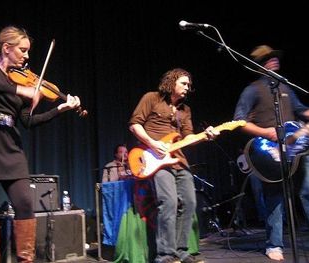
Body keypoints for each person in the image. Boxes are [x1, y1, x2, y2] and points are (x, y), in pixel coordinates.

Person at [0, 26, 82, 263]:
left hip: (10, 147)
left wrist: (60, 108)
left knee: (25, 203)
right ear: (6, 48)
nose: (27, 56)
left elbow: (27, 121)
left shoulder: (24, 81)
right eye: (23, 50)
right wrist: (21, 89)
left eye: (28, 52)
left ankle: (26, 259)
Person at [129, 68, 218, 263]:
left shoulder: (185, 110)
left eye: (189, 85)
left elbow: (189, 138)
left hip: (179, 160)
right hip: (156, 159)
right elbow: (135, 125)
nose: (188, 87)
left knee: (190, 202)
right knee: (168, 202)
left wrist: (206, 135)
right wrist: (153, 143)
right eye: (184, 83)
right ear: (172, 82)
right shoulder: (151, 98)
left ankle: (181, 251)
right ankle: (165, 255)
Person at [233, 45, 309, 261]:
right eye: (268, 59)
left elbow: (301, 110)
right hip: (268, 150)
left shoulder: (285, 86)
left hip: (296, 147)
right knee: (275, 196)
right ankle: (274, 244)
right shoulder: (253, 89)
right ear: (259, 65)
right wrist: (264, 132)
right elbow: (239, 121)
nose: (274, 61)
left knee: (306, 190)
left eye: (275, 58)